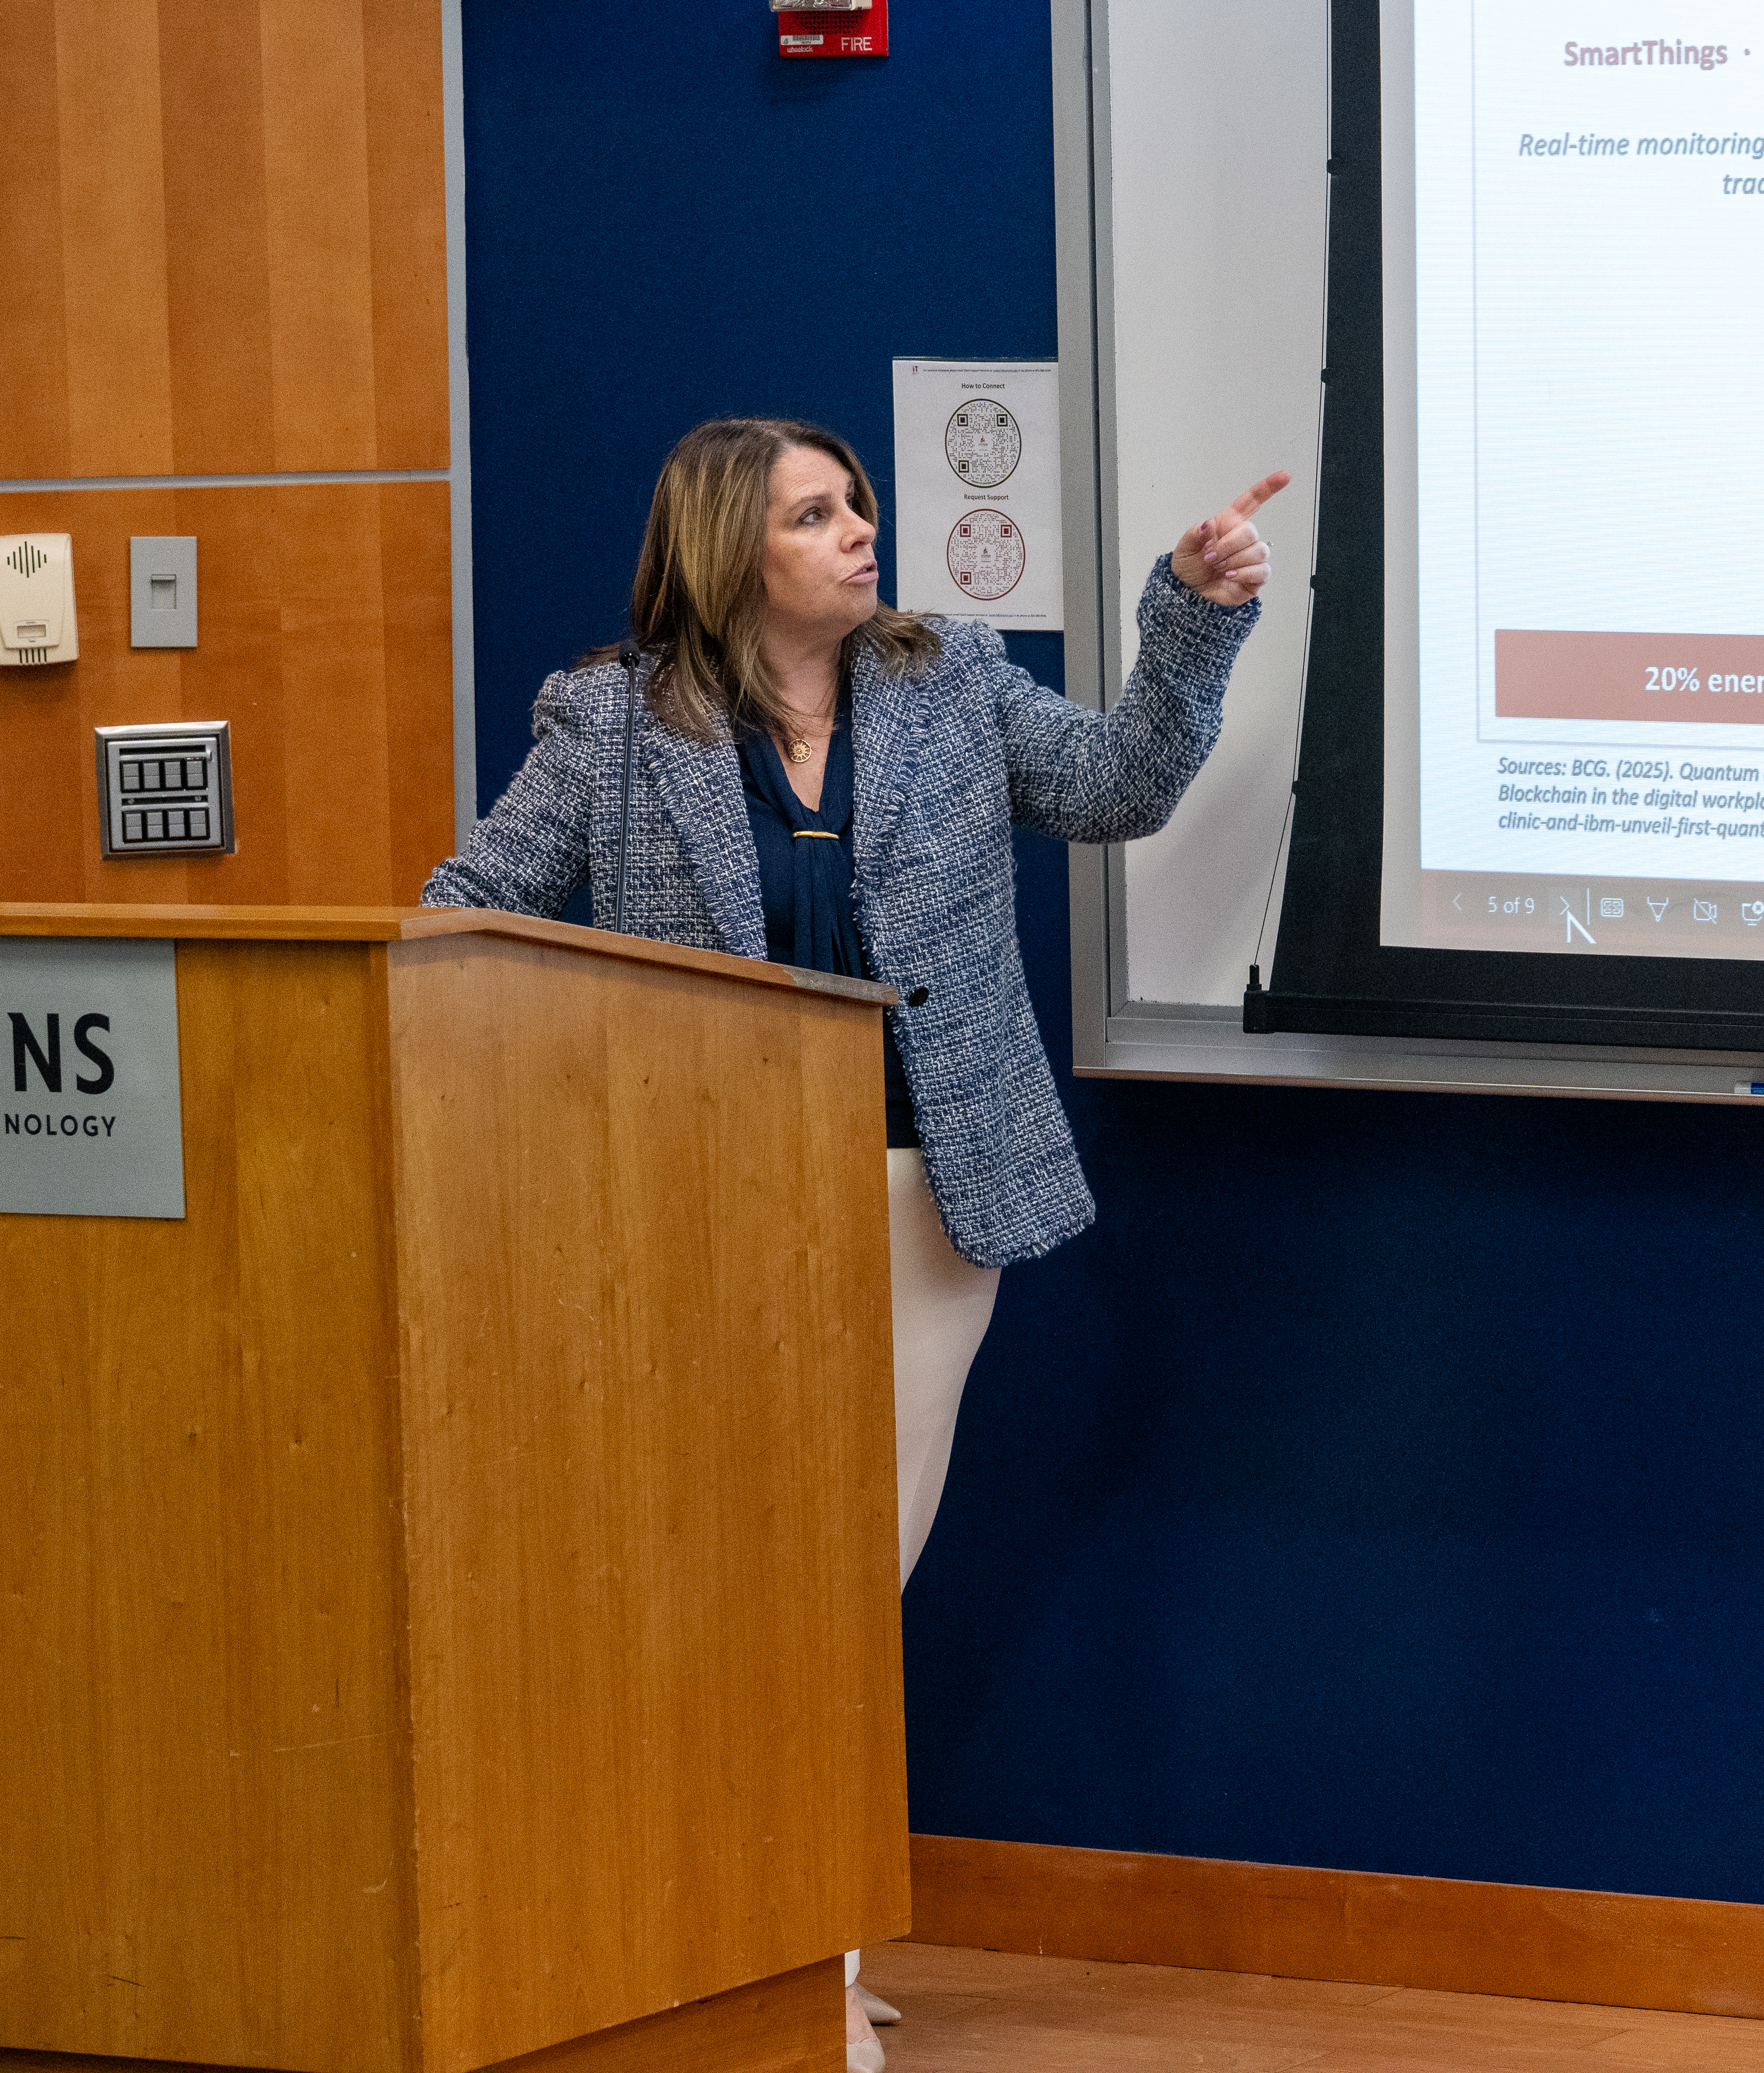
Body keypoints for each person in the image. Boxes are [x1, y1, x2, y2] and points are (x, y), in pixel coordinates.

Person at [424, 416, 1280, 2068]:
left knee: (848, 1571)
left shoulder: (948, 680)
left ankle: (786, 1937)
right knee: (732, 1583)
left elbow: (1122, 783)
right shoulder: (608, 723)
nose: (862, 535)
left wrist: (1191, 607)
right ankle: (746, 1944)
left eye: (860, 507)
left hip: (923, 1191)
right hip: (700, 1211)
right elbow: (479, 901)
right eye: (820, 517)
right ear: (732, 547)